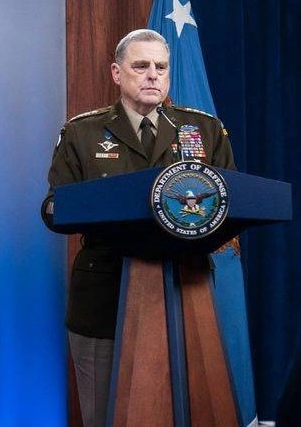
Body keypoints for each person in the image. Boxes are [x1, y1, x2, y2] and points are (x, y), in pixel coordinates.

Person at [40, 29, 234, 427]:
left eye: (161, 67)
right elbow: (54, 208)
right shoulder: (82, 132)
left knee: (194, 410)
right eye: (141, 66)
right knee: (104, 414)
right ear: (117, 73)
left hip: (186, 288)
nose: (152, 75)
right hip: (105, 294)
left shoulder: (204, 129)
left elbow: (233, 198)